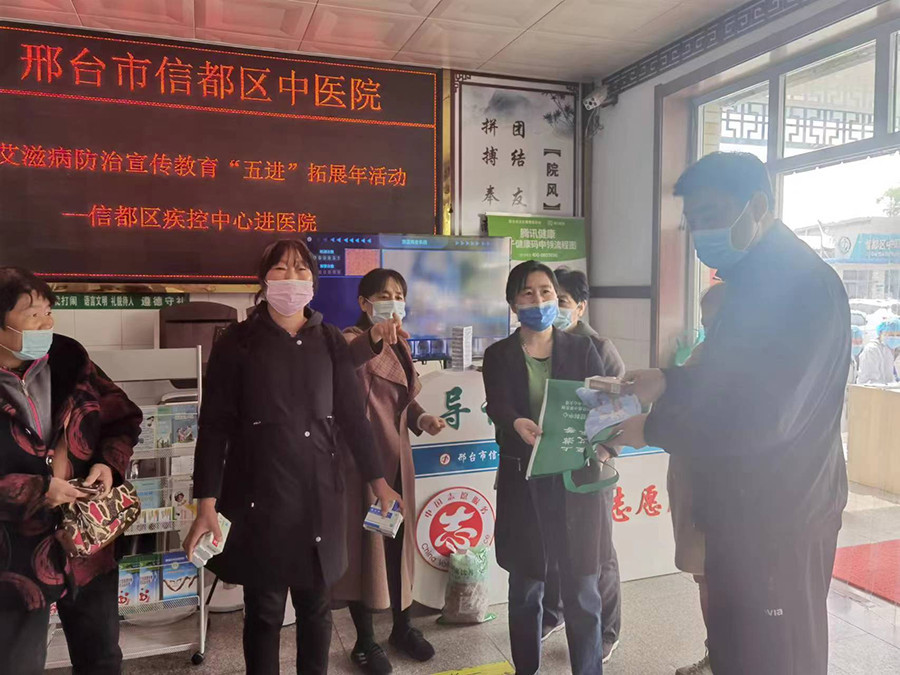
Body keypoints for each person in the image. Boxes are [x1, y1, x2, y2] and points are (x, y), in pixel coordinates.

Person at [612, 152, 849, 675]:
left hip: (778, 515)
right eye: (693, 221)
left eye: (712, 215)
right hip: (742, 509)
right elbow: (731, 380)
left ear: (757, 206)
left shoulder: (801, 286)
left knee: (777, 657)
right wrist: (668, 380)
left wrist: (652, 427)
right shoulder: (752, 281)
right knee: (738, 650)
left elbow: (765, 414)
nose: (702, 233)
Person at [185, 240, 402, 675]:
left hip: (319, 495)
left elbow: (352, 419)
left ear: (313, 281)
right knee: (264, 612)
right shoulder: (236, 341)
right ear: (264, 279)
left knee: (316, 610)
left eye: (301, 269)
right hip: (257, 496)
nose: (291, 278)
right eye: (281, 268)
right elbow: (214, 427)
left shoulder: (329, 339)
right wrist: (205, 502)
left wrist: (378, 481)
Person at [0, 267, 142, 674]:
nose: (46, 324)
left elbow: (123, 417)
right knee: (17, 663)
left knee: (101, 658)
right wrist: (36, 490)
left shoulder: (69, 358)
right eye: (32, 315)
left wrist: (106, 463)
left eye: (48, 311)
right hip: (15, 559)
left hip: (86, 542)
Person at [482, 260, 609, 675]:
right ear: (513, 303)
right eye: (528, 293)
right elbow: (498, 405)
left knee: (582, 588)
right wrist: (516, 422)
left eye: (546, 292)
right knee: (525, 587)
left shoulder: (582, 349)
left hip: (573, 478)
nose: (539, 300)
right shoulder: (499, 355)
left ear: (557, 298)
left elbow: (602, 405)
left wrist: (608, 445)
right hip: (523, 480)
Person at [332, 268, 446, 674]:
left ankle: (402, 627)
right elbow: (348, 364)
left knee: (398, 549)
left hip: (398, 461)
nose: (393, 302)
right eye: (383, 295)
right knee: (367, 551)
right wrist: (375, 338)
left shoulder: (402, 343)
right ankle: (364, 642)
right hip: (364, 465)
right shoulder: (349, 339)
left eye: (399, 294)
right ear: (364, 303)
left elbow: (402, 398)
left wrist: (422, 418)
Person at [541, 267, 624, 664]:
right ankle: (554, 612)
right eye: (548, 298)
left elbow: (621, 405)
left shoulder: (599, 348)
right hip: (552, 462)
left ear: (580, 307)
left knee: (597, 552)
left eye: (561, 301)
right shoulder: (540, 344)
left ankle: (607, 631)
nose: (552, 307)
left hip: (590, 467)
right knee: (554, 542)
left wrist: (604, 453)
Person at [667, 281, 726, 675]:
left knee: (719, 578)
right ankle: (718, 655)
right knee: (706, 577)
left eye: (718, 321)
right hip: (695, 482)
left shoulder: (749, 360)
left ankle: (726, 658)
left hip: (720, 490)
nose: (711, 329)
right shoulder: (704, 354)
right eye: (706, 323)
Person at [857, 318, 899, 384]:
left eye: (898, 335)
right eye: (890, 334)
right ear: (881, 334)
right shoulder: (872, 350)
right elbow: (869, 381)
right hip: (870, 389)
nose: (895, 338)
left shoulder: (891, 349)